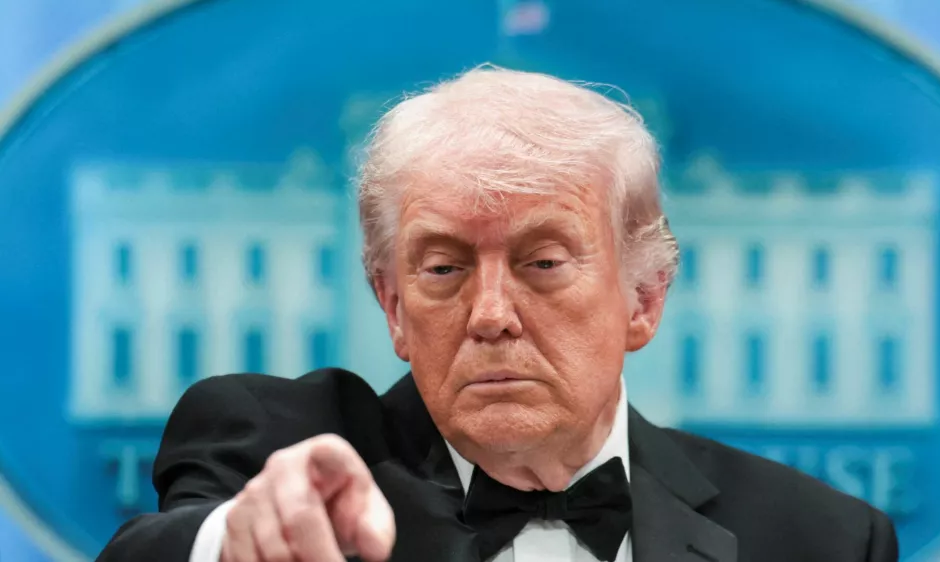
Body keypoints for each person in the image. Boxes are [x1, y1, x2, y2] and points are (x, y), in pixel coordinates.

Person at [96, 65, 898, 562]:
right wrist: (235, 544)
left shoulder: (820, 540)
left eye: (543, 263)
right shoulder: (286, 448)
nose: (490, 315)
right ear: (394, 307)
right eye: (442, 268)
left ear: (643, 299)